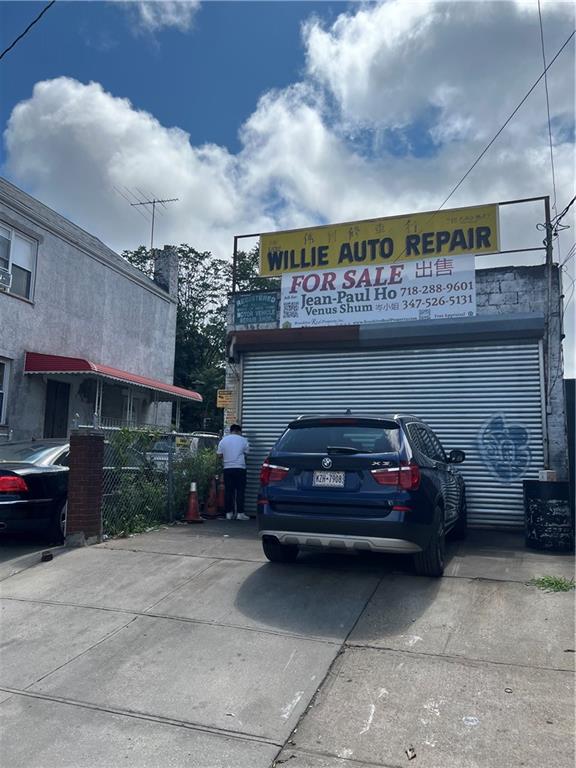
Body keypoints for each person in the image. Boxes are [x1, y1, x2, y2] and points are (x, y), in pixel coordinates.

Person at [217, 424, 250, 520]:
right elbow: (247, 453)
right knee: (240, 491)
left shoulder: (223, 441)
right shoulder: (243, 440)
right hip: (240, 468)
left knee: (228, 491)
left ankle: (229, 513)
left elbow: (219, 455)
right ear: (239, 431)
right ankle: (240, 513)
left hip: (227, 468)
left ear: (231, 431)